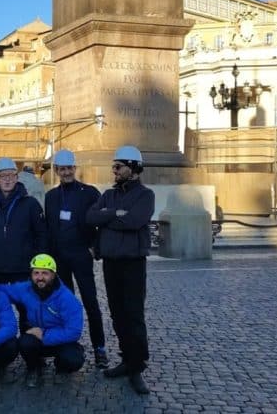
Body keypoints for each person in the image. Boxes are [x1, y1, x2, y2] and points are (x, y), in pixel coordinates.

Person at [86, 145, 155, 394]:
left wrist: (107, 218)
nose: (114, 170)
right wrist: (116, 213)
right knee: (117, 314)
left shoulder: (145, 195)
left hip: (133, 263)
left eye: (118, 166)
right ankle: (127, 359)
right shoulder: (109, 195)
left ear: (133, 168)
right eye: (113, 166)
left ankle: (136, 367)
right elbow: (91, 217)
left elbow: (135, 221)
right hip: (111, 263)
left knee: (133, 315)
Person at [44, 149, 109, 368]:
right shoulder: (51, 196)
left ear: (75, 168)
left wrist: (95, 248)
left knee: (91, 302)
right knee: (64, 304)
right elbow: (49, 228)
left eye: (69, 168)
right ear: (56, 171)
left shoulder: (89, 193)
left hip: (81, 255)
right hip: (59, 258)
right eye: (62, 169)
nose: (66, 172)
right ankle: (67, 345)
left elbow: (102, 221)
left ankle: (100, 347)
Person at [0, 157, 47, 328]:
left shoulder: (30, 204)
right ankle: (0, 342)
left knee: (27, 311)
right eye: (3, 176)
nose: (7, 180)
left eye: (11, 175)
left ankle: (29, 342)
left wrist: (38, 263)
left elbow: (41, 234)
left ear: (17, 177)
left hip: (23, 269)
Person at [0, 254, 84, 388]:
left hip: (60, 341)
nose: (40, 277)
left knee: (73, 360)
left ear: (53, 275)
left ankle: (61, 368)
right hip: (36, 339)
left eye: (45, 273)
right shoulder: (26, 289)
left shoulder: (67, 298)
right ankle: (33, 369)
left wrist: (44, 334)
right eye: (36, 273)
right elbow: (5, 290)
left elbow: (74, 332)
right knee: (25, 343)